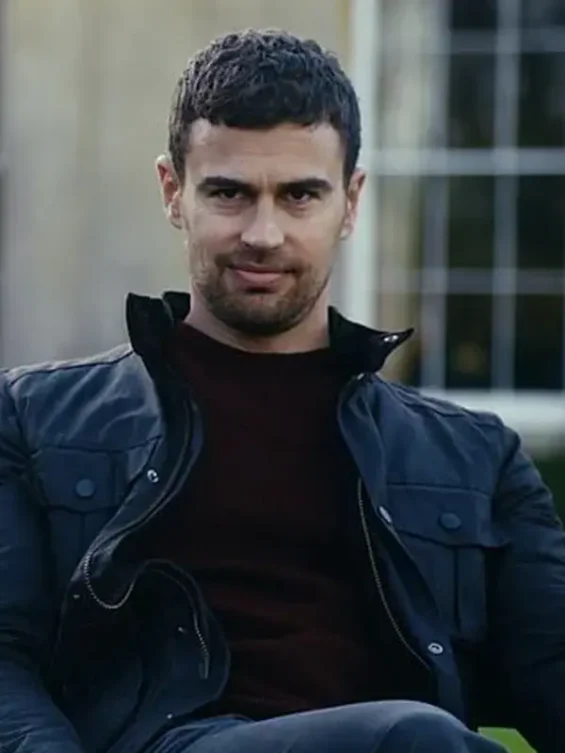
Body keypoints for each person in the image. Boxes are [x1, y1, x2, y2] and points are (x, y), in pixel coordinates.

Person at [0, 28, 563, 753]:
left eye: (299, 195)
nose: (263, 233)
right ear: (173, 193)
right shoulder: (35, 422)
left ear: (350, 201)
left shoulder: (475, 461)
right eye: (229, 193)